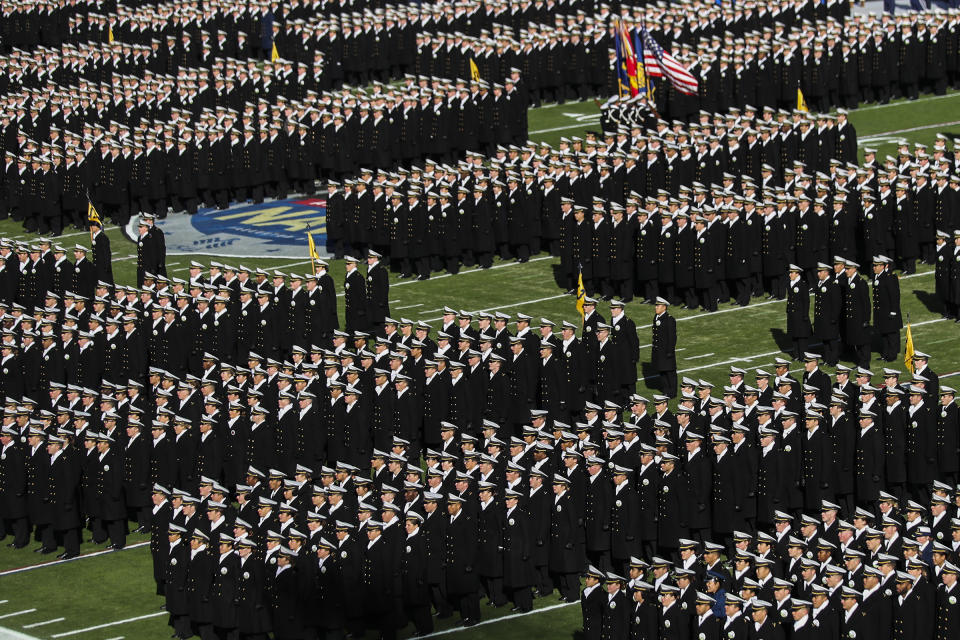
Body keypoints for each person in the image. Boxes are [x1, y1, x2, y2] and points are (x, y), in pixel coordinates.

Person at [649, 297, 677, 399]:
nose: (656, 307)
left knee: (670, 372)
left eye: (658, 305)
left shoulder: (669, 319)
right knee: (662, 372)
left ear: (664, 307)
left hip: (666, 352)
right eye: (656, 305)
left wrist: (670, 351)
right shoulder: (656, 317)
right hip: (658, 351)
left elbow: (672, 337)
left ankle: (672, 392)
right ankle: (666, 390)